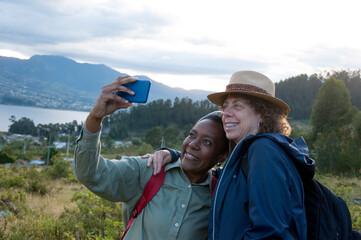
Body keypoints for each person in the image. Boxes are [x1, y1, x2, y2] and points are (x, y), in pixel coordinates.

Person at [149, 71, 315, 239]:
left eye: (237, 106)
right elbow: (221, 178)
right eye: (225, 105)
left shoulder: (263, 150)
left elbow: (269, 232)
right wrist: (175, 155)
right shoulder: (247, 155)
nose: (226, 113)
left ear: (263, 114)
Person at [72, 75, 229, 240]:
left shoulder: (219, 195)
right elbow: (91, 174)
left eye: (207, 142)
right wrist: (95, 118)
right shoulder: (150, 169)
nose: (192, 145)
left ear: (222, 155)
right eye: (191, 135)